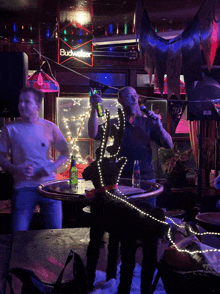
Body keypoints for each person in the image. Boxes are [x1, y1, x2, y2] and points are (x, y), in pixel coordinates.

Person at [88, 86, 173, 205]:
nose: (134, 98)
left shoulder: (148, 121)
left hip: (146, 179)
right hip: (123, 180)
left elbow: (169, 145)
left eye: (135, 95)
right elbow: (93, 133)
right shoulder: (116, 122)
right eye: (129, 96)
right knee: (127, 218)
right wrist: (93, 108)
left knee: (147, 219)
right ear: (120, 100)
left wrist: (159, 126)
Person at [0, 86, 69, 232]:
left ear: (37, 105)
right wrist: (15, 168)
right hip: (23, 188)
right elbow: (1, 157)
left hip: (49, 187)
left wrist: (51, 167)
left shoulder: (49, 126)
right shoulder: (9, 128)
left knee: (55, 233)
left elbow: (65, 152)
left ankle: (52, 256)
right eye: (20, 101)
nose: (21, 105)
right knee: (19, 234)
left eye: (26, 101)